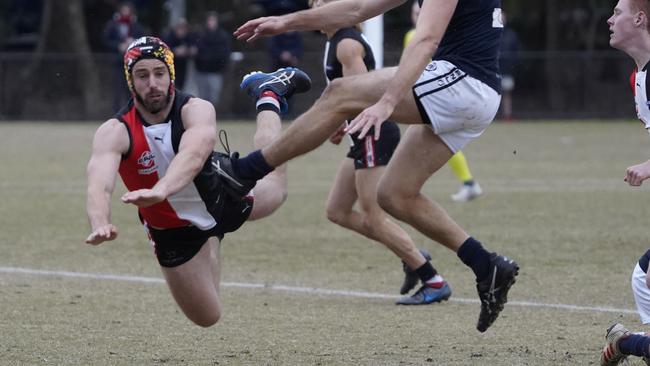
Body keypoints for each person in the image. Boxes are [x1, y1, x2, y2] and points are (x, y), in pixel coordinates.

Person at [231, 0, 519, 332]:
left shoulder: (350, 46)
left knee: (340, 91)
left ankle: (243, 173)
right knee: (394, 194)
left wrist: (385, 102)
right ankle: (487, 266)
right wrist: (285, 23)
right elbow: (357, 9)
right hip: (473, 90)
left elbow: (426, 40)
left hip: (463, 81)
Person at [85, 36, 311, 327]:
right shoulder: (114, 131)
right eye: (142, 75)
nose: (152, 83)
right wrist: (99, 222)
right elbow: (99, 183)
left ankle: (268, 94)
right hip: (173, 231)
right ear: (130, 81)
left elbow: (193, 155)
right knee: (208, 316)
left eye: (159, 73)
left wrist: (162, 189)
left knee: (276, 188)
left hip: (219, 192)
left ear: (171, 74)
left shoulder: (196, 108)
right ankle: (210, 237)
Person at [311, 0, 450, 304]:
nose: (316, 9)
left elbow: (361, 93)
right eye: (314, 4)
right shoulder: (336, 41)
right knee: (336, 211)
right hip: (362, 133)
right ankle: (408, 249)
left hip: (373, 133)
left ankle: (432, 279)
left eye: (323, 4)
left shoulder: (346, 44)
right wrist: (340, 124)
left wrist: (339, 122)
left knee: (374, 216)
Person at [599, 0, 650, 363]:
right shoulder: (640, 77)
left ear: (640, 18)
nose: (609, 19)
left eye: (617, 11)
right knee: (642, 276)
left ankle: (625, 343)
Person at [404, 0, 483, 203]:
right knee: (436, 140)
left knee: (437, 138)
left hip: (434, 91)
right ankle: (468, 182)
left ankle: (468, 182)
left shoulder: (425, 35)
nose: (417, 15)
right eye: (414, 12)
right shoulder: (413, 35)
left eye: (419, 11)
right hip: (428, 89)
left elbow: (417, 59)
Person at [102, 2, 146, 111]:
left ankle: (132, 111)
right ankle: (117, 112)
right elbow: (105, 40)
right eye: (123, 10)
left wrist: (133, 43)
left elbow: (143, 40)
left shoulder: (136, 25)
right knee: (117, 88)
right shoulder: (112, 24)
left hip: (132, 62)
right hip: (117, 61)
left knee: (131, 88)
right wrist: (118, 46)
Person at [194, 12, 231, 111]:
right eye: (209, 20)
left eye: (213, 20)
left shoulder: (222, 36)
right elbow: (197, 51)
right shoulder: (201, 35)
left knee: (214, 97)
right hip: (202, 71)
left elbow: (223, 53)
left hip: (215, 71)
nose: (211, 23)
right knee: (202, 96)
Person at [162, 18, 195, 90]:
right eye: (180, 28)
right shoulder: (169, 37)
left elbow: (193, 48)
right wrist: (175, 51)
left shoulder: (188, 37)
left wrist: (187, 50)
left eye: (184, 29)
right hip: (171, 65)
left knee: (181, 86)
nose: (182, 31)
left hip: (183, 66)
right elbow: (164, 50)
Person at [499, 10, 520, 122]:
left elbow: (516, 52)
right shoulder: (491, 34)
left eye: (503, 18)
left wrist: (512, 65)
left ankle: (507, 115)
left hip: (507, 69)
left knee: (507, 93)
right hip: (493, 70)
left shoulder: (511, 35)